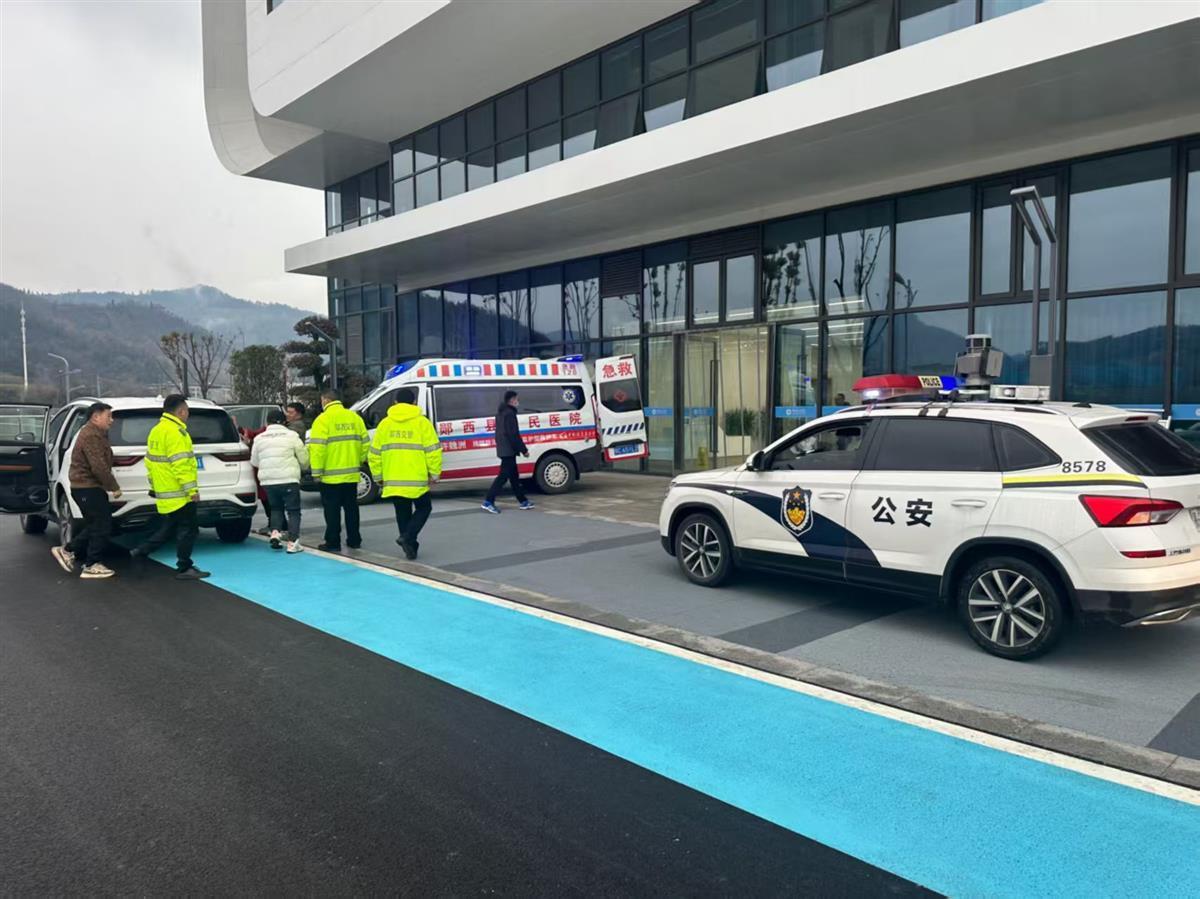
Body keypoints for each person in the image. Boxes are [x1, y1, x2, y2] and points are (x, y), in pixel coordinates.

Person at [130, 395, 209, 580]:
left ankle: (141, 551)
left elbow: (149, 462)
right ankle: (184, 567)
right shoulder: (176, 433)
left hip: (165, 491)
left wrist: (154, 485)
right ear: (180, 411)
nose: (188, 414)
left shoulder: (156, 431)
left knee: (170, 527)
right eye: (187, 410)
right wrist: (192, 491)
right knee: (188, 529)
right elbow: (181, 465)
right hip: (180, 493)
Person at [368, 387, 442, 560]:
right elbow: (433, 451)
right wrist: (434, 473)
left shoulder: (385, 424)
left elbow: (374, 453)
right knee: (424, 508)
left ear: (395, 402)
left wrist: (378, 476)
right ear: (414, 402)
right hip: (416, 478)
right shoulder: (422, 423)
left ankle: (410, 546)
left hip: (393, 477)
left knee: (402, 513)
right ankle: (408, 538)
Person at [51, 401, 121, 579]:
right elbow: (98, 466)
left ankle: (69, 551)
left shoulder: (96, 433)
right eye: (108, 416)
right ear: (95, 417)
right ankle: (91, 565)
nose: (111, 420)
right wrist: (113, 487)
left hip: (87, 488)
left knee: (96, 525)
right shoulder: (91, 435)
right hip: (87, 488)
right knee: (102, 525)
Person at [308, 389, 368, 552]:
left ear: (325, 400)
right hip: (351, 474)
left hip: (330, 476)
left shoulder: (322, 420)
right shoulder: (354, 418)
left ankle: (333, 542)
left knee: (332, 510)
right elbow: (365, 443)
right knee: (351, 508)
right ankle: (354, 539)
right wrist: (358, 460)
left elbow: (318, 449)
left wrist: (316, 472)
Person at [250, 408, 309, 553]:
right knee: (293, 511)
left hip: (268, 481)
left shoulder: (259, 438)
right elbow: (304, 459)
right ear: (284, 422)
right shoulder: (292, 435)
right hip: (289, 478)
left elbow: (254, 462)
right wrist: (303, 467)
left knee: (276, 508)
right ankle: (293, 542)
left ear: (267, 422)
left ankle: (275, 532)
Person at [481, 390, 534, 514]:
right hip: (508, 450)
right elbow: (513, 434)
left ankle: (523, 501)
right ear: (512, 400)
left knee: (514, 477)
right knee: (503, 476)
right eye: (516, 399)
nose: (518, 401)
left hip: (504, 448)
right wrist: (524, 450)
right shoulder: (510, 414)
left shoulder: (501, 413)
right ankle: (488, 501)